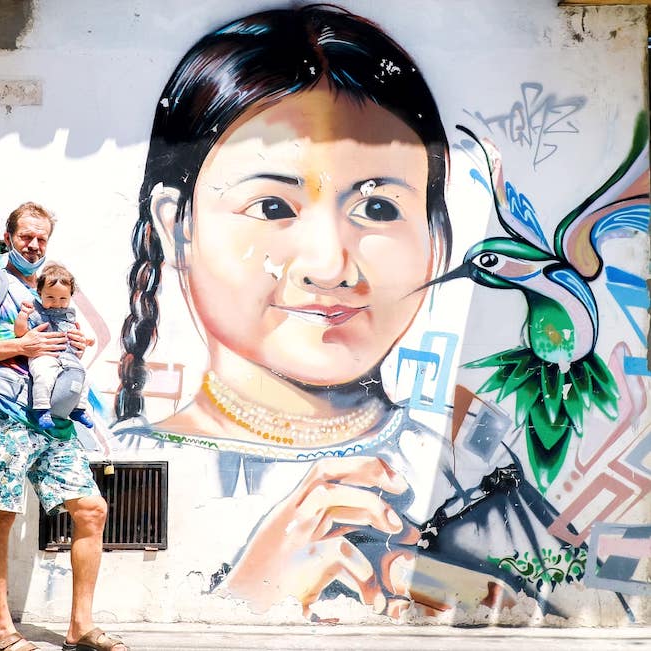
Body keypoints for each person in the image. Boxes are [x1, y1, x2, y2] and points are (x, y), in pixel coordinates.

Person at [114, 6, 595, 620]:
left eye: (379, 209)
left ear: (437, 240)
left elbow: (581, 610)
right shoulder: (122, 459)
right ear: (174, 228)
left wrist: (453, 590)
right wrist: (248, 597)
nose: (330, 265)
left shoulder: (465, 464)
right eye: (270, 207)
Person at [0, 202, 127, 651]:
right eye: (26, 235)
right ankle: (0, 630)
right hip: (6, 406)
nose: (34, 244)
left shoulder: (55, 288)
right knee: (4, 511)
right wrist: (21, 343)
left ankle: (80, 627)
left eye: (41, 238)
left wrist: (70, 346)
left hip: (54, 416)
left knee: (91, 509)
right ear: (9, 236)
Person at [14, 262, 94, 430]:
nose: (57, 303)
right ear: (40, 293)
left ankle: (78, 408)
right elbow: (20, 333)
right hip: (43, 355)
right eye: (50, 297)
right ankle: (41, 409)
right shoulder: (35, 311)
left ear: (70, 297)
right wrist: (23, 316)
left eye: (63, 298)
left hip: (67, 357)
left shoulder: (69, 314)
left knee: (85, 376)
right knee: (44, 375)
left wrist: (86, 340)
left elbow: (73, 332)